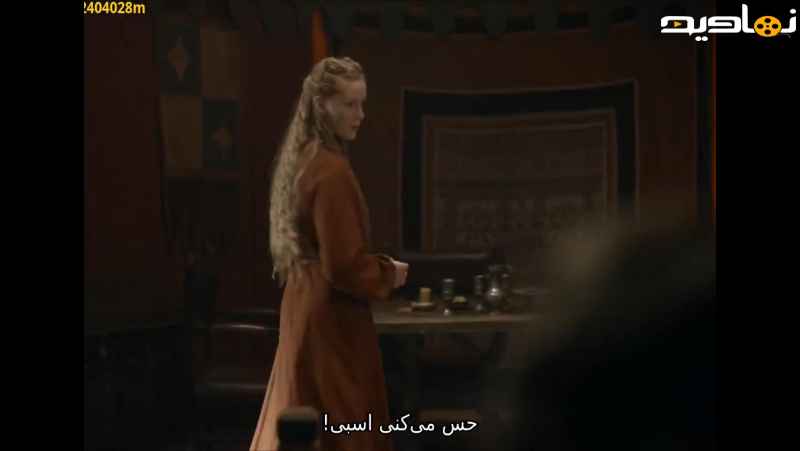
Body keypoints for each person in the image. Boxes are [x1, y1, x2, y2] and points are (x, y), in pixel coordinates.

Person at [249, 56, 409, 451]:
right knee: (342, 422)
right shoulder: (331, 171)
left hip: (302, 302)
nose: (361, 115)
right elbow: (343, 264)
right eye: (350, 104)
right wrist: (388, 273)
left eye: (362, 104)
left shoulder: (304, 160)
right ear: (323, 106)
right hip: (329, 316)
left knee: (304, 418)